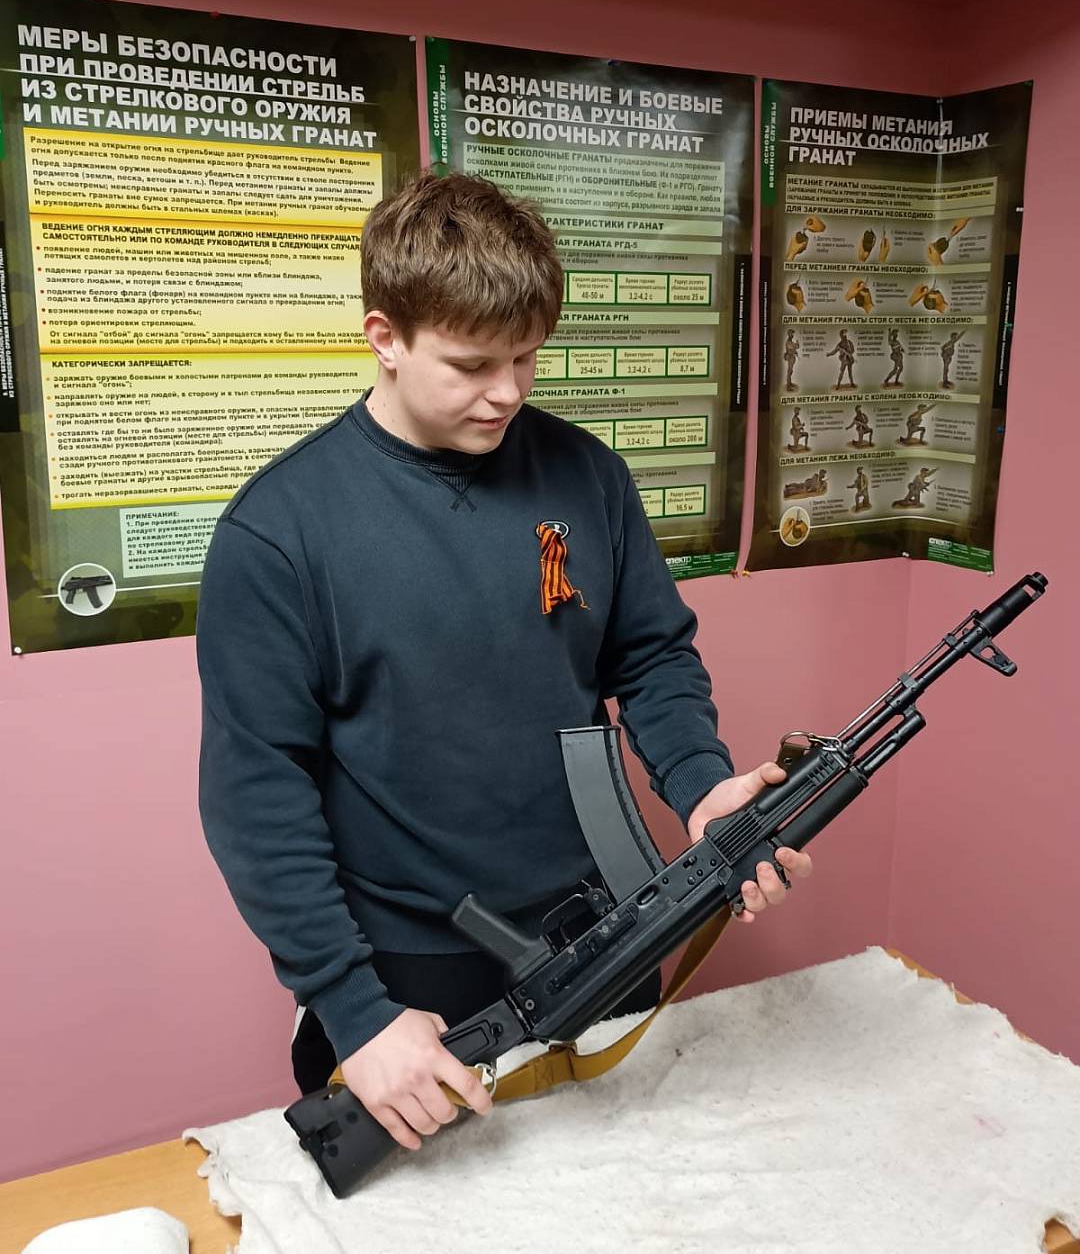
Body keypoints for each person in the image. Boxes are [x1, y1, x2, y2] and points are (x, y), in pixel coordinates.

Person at [197, 171, 812, 1157]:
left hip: (611, 930)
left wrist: (704, 791)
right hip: (405, 978)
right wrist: (354, 1010)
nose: (509, 392)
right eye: (473, 363)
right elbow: (256, 788)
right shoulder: (278, 533)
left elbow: (652, 657)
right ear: (384, 337)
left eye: (527, 357)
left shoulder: (588, 474)